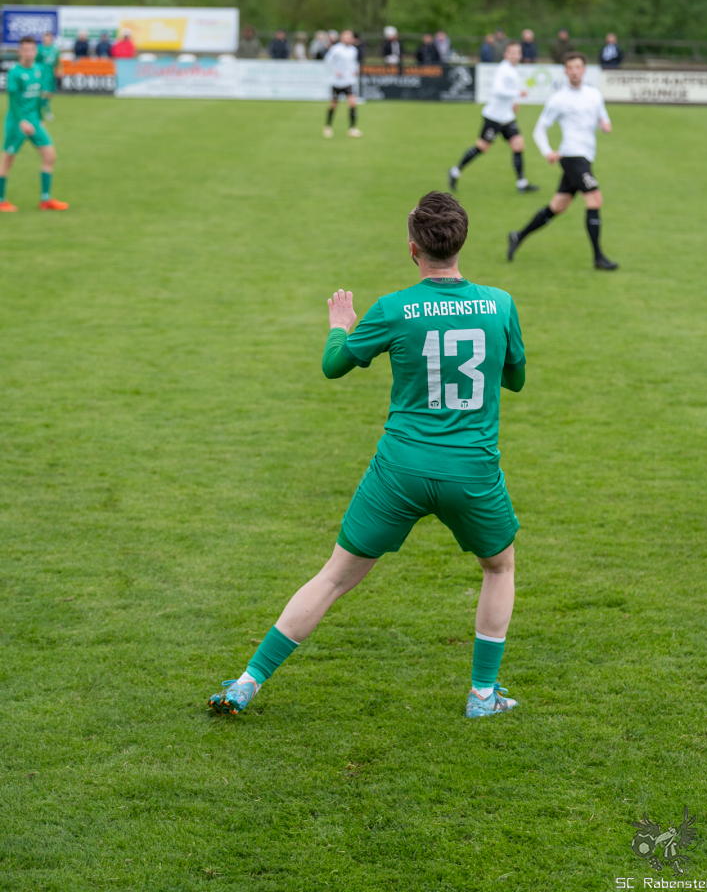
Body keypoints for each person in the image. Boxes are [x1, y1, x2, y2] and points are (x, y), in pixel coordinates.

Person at [208, 191, 526, 721]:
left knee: (334, 576)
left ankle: (246, 683)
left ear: (413, 248)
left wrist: (340, 323)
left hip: (399, 470)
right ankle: (482, 695)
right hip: (470, 470)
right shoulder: (500, 303)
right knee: (499, 567)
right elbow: (515, 379)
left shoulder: (394, 309)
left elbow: (334, 366)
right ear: (461, 243)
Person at [507, 52, 617, 270]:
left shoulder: (594, 94)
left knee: (557, 206)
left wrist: (605, 126)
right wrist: (547, 151)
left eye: (578, 67)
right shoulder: (559, 99)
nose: (574, 71)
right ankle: (598, 258)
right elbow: (540, 129)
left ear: (584, 70)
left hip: (585, 157)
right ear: (565, 71)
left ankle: (517, 236)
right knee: (595, 200)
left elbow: (603, 119)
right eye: (570, 68)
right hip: (572, 157)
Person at [447, 40, 538, 194]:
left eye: (518, 52)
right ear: (506, 54)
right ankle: (455, 171)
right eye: (512, 52)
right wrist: (517, 93)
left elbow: (507, 91)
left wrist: (513, 102)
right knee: (482, 147)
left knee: (518, 145)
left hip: (507, 117)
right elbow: (498, 90)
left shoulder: (513, 69)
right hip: (494, 117)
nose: (516, 55)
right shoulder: (503, 69)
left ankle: (522, 184)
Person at [0, 36, 68, 213]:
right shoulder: (14, 72)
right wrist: (22, 121)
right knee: (7, 161)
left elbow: (37, 98)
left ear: (35, 51)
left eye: (31, 50)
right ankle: (1, 200)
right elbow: (13, 102)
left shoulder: (38, 70)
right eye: (25, 50)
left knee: (50, 156)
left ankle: (45, 200)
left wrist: (40, 119)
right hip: (17, 123)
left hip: (35, 121)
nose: (28, 53)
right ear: (20, 51)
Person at [322, 29, 361, 139]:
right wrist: (335, 71)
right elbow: (327, 61)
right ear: (342, 37)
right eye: (346, 37)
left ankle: (352, 128)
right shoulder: (336, 49)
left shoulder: (353, 50)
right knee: (334, 104)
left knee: (352, 103)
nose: (348, 39)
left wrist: (355, 70)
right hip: (337, 82)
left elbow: (353, 63)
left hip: (349, 81)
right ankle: (328, 126)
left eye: (350, 37)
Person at [34, 31, 60, 122]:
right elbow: (35, 62)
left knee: (49, 95)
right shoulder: (39, 49)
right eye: (45, 38)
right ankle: (47, 112)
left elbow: (57, 62)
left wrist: (58, 71)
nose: (46, 40)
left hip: (50, 76)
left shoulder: (54, 49)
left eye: (48, 38)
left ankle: (41, 109)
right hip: (42, 75)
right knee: (43, 93)